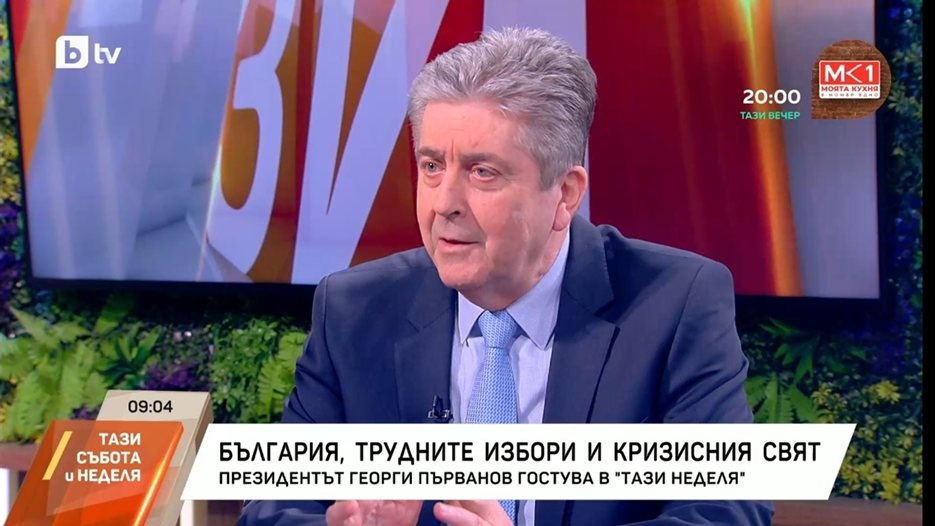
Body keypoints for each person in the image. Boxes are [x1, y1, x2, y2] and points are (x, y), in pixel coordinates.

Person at [239, 26, 773, 526]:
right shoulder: (355, 311)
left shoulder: (674, 305)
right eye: (432, 166)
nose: (444, 203)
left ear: (564, 194)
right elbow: (271, 508)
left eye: (482, 172)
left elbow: (726, 510)